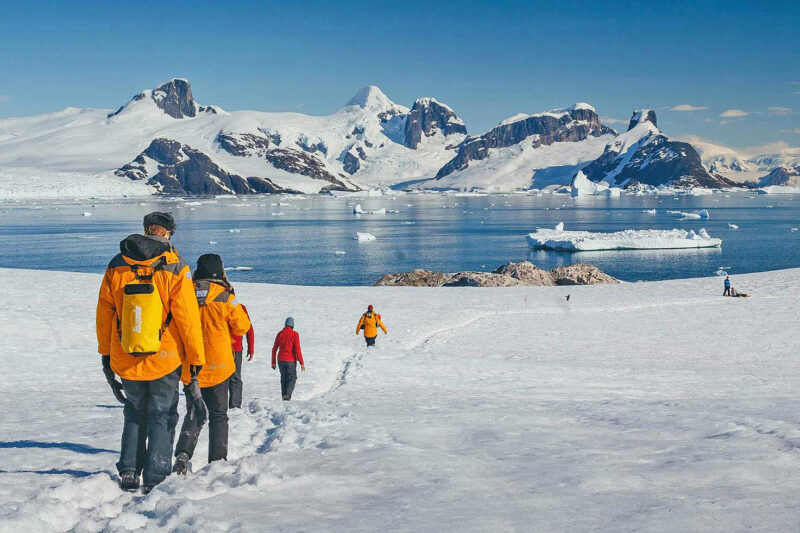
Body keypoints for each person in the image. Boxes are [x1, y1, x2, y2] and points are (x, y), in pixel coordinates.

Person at [96, 212, 205, 493]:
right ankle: (155, 477)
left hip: (126, 353)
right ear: (167, 233)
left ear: (146, 230)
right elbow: (188, 320)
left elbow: (105, 313)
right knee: (162, 414)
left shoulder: (117, 264)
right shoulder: (175, 266)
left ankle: (129, 470)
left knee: (134, 411)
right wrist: (195, 360)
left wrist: (106, 353)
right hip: (164, 358)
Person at [173, 254, 251, 475]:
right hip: (218, 366)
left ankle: (183, 453)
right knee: (218, 415)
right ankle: (217, 463)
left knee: (194, 411)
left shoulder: (185, 292)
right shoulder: (225, 297)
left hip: (191, 366)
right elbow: (242, 326)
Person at [271, 317, 305, 400]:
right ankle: (287, 395)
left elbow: (274, 349)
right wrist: (301, 363)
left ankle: (284, 396)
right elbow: (297, 349)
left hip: (280, 359)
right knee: (292, 378)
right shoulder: (295, 334)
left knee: (283, 378)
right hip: (290, 360)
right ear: (293, 325)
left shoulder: (280, 334)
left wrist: (273, 362)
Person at [229, 305, 255, 409]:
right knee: (235, 378)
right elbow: (249, 328)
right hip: (235, 348)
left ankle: (220, 407)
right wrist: (250, 348)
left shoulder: (215, 304)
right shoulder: (239, 307)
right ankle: (234, 407)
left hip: (221, 348)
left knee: (220, 379)